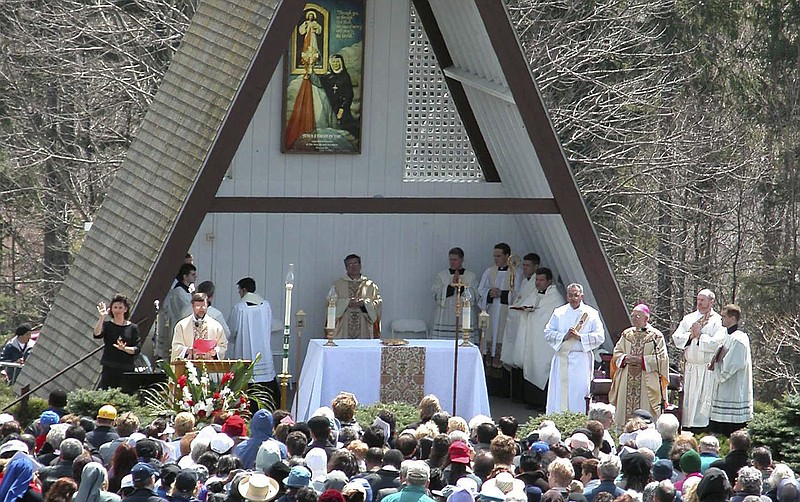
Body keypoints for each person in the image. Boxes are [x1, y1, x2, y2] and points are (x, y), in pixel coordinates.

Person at [544, 283, 605, 414]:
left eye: (576, 295)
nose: (573, 298)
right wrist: (563, 336)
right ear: (567, 296)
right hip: (562, 358)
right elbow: (547, 333)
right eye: (570, 295)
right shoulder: (559, 313)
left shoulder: (591, 314)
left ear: (581, 296)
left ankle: (579, 417)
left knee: (579, 392)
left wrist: (580, 337)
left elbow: (600, 337)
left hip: (581, 360)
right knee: (560, 392)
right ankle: (559, 417)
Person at [608, 303, 670, 425]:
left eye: (638, 316)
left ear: (646, 318)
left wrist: (642, 360)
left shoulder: (655, 336)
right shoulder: (626, 334)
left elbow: (662, 358)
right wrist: (625, 358)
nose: (634, 318)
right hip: (626, 378)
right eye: (633, 316)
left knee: (645, 411)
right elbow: (616, 352)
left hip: (646, 380)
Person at [671, 289, 723, 430]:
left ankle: (703, 429)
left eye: (702, 300)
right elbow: (676, 338)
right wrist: (690, 336)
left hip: (706, 368)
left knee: (702, 402)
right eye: (698, 299)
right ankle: (687, 428)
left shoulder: (717, 321)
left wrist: (700, 336)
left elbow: (717, 343)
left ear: (711, 301)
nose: (699, 303)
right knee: (690, 400)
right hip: (691, 367)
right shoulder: (689, 318)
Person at [512, 266, 562, 409]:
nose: (538, 283)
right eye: (537, 280)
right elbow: (524, 305)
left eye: (541, 280)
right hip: (533, 339)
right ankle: (532, 400)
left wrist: (533, 313)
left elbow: (549, 316)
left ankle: (542, 403)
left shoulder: (555, 297)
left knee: (542, 367)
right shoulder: (534, 293)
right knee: (531, 364)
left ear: (549, 281)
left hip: (544, 342)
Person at [227, 277, 277, 401]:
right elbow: (269, 325)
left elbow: (231, 330)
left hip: (245, 350)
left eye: (239, 290)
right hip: (263, 352)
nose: (239, 294)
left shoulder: (239, 308)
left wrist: (233, 339)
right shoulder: (265, 305)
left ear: (244, 290)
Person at [707, 304, 753, 435]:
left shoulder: (739, 339)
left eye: (724, 316)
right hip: (724, 389)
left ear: (732, 318)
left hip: (732, 391)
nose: (721, 319)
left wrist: (716, 367)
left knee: (730, 430)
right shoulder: (727, 336)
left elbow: (731, 366)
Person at [477, 243, 524, 368]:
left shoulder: (516, 273)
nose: (495, 259)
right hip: (492, 311)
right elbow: (481, 290)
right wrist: (490, 293)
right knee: (489, 340)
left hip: (506, 313)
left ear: (507, 256)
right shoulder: (489, 271)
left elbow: (519, 295)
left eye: (498, 256)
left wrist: (502, 294)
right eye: (494, 256)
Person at [93, 294, 141, 390]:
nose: (117, 310)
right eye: (115, 307)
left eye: (120, 307)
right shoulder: (107, 325)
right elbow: (97, 334)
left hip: (126, 368)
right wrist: (102, 317)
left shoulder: (132, 328)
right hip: (109, 367)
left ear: (125, 309)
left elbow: (137, 349)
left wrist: (124, 349)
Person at [501, 253, 540, 369]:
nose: (524, 268)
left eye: (528, 265)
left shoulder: (536, 282)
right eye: (523, 265)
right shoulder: (524, 281)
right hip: (516, 319)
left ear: (536, 267)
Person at [431, 248, 478, 340]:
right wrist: (451, 286)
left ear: (462, 260)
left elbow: (475, 295)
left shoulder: (470, 276)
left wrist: (461, 287)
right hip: (446, 315)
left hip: (464, 314)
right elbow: (436, 293)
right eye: (450, 259)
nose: (452, 262)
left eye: (455, 260)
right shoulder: (442, 275)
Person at [331, 255, 382, 339]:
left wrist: (365, 304)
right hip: (343, 327)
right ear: (346, 267)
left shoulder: (370, 286)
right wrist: (346, 302)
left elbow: (378, 303)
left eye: (355, 263)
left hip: (364, 327)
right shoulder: (338, 285)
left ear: (360, 265)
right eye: (350, 264)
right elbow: (331, 304)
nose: (353, 267)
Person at [156, 263, 197, 360]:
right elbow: (185, 312)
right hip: (179, 327)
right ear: (185, 276)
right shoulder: (179, 292)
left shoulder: (186, 291)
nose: (195, 277)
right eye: (193, 274)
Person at [171, 293, 228, 361]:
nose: (201, 309)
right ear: (193, 306)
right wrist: (188, 351)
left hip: (209, 367)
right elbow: (176, 346)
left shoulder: (216, 326)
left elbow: (223, 345)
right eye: (198, 306)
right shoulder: (181, 326)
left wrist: (215, 352)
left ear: (207, 306)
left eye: (204, 306)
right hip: (188, 366)